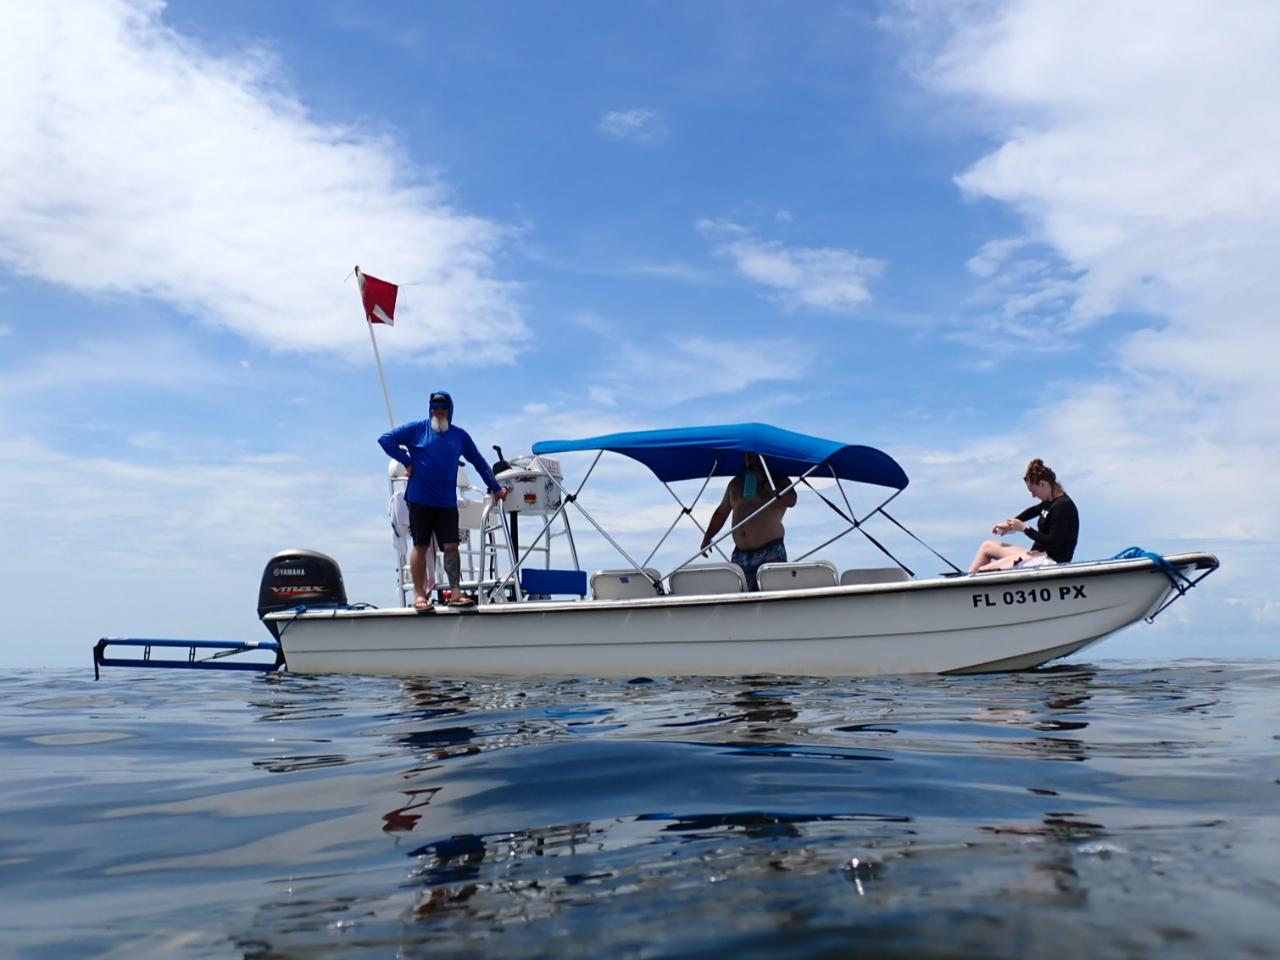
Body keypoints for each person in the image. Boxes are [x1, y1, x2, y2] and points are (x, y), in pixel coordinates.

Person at [379, 391, 508, 610]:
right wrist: (406, 460)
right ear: (430, 409)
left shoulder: (459, 436)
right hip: (420, 500)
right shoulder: (418, 429)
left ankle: (455, 593)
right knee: (420, 546)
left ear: (450, 410)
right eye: (434, 407)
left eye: (442, 408)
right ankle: (419, 596)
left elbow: (477, 460)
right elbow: (385, 439)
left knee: (451, 546)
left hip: (446, 503)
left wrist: (496, 488)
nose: (438, 411)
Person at [699, 453, 798, 591]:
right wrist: (707, 537)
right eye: (748, 456)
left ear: (765, 457)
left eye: (755, 456)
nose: (751, 460)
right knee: (740, 596)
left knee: (770, 596)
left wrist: (764, 480)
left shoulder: (780, 480)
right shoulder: (736, 483)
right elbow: (721, 513)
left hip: (770, 551)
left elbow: (790, 500)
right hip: (740, 554)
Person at [968, 458, 1079, 573]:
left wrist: (1024, 529)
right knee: (987, 546)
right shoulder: (1049, 501)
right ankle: (963, 584)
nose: (1033, 496)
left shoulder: (1063, 506)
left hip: (1049, 561)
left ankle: (972, 584)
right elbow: (1033, 511)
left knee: (983, 571)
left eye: (1033, 492)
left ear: (1043, 484)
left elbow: (1053, 541)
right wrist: (1009, 525)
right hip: (1036, 555)